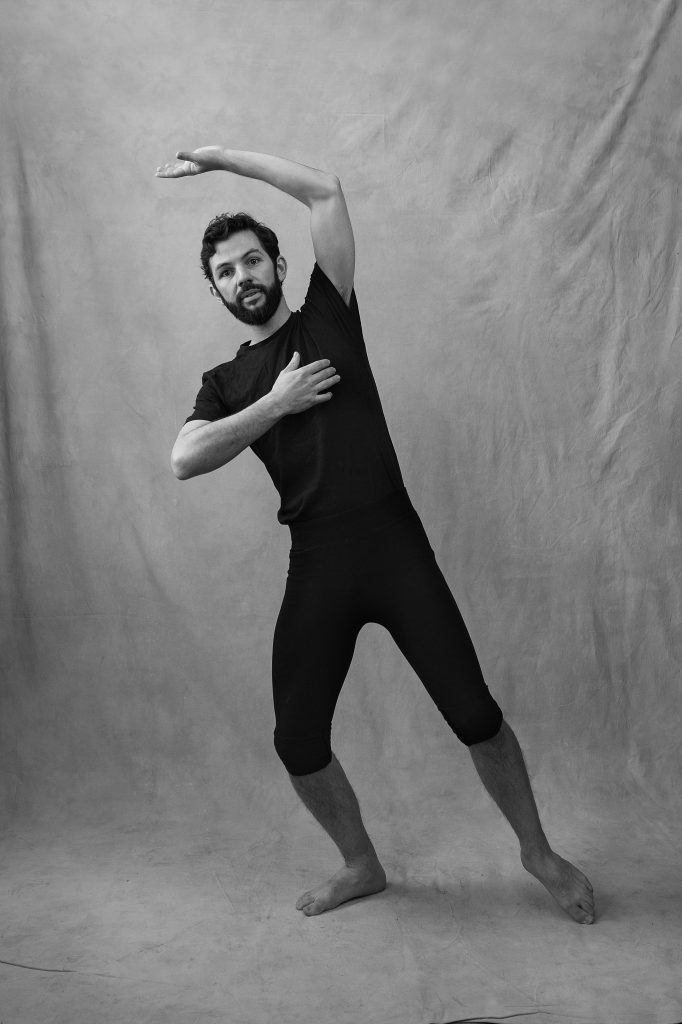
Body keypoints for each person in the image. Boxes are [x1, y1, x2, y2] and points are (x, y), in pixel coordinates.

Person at [156, 146, 595, 924]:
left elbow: (325, 189)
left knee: (475, 715)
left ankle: (538, 851)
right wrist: (275, 406)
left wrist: (221, 158)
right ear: (217, 290)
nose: (241, 276)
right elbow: (185, 457)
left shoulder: (329, 311)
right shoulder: (226, 384)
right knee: (297, 740)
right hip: (317, 563)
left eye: (251, 259)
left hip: (395, 548)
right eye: (225, 271)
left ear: (278, 263)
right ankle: (361, 865)